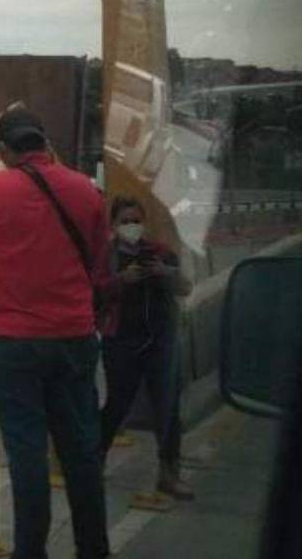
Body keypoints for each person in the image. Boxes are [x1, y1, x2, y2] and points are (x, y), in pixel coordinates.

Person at [0, 107, 111, 559]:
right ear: (44, 142)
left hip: (11, 342)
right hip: (74, 337)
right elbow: (100, 257)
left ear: (4, 149)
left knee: (27, 455)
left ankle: (30, 552)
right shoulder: (86, 190)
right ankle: (93, 548)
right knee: (81, 451)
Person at [97, 195, 194, 499]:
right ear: (114, 225)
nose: (132, 227)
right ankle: (94, 462)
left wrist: (166, 273)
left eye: (136, 221)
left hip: (160, 339)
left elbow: (185, 287)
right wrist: (121, 280)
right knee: (117, 404)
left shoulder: (160, 253)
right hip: (121, 340)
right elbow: (93, 293)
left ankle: (169, 472)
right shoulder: (106, 257)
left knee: (167, 407)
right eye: (125, 221)